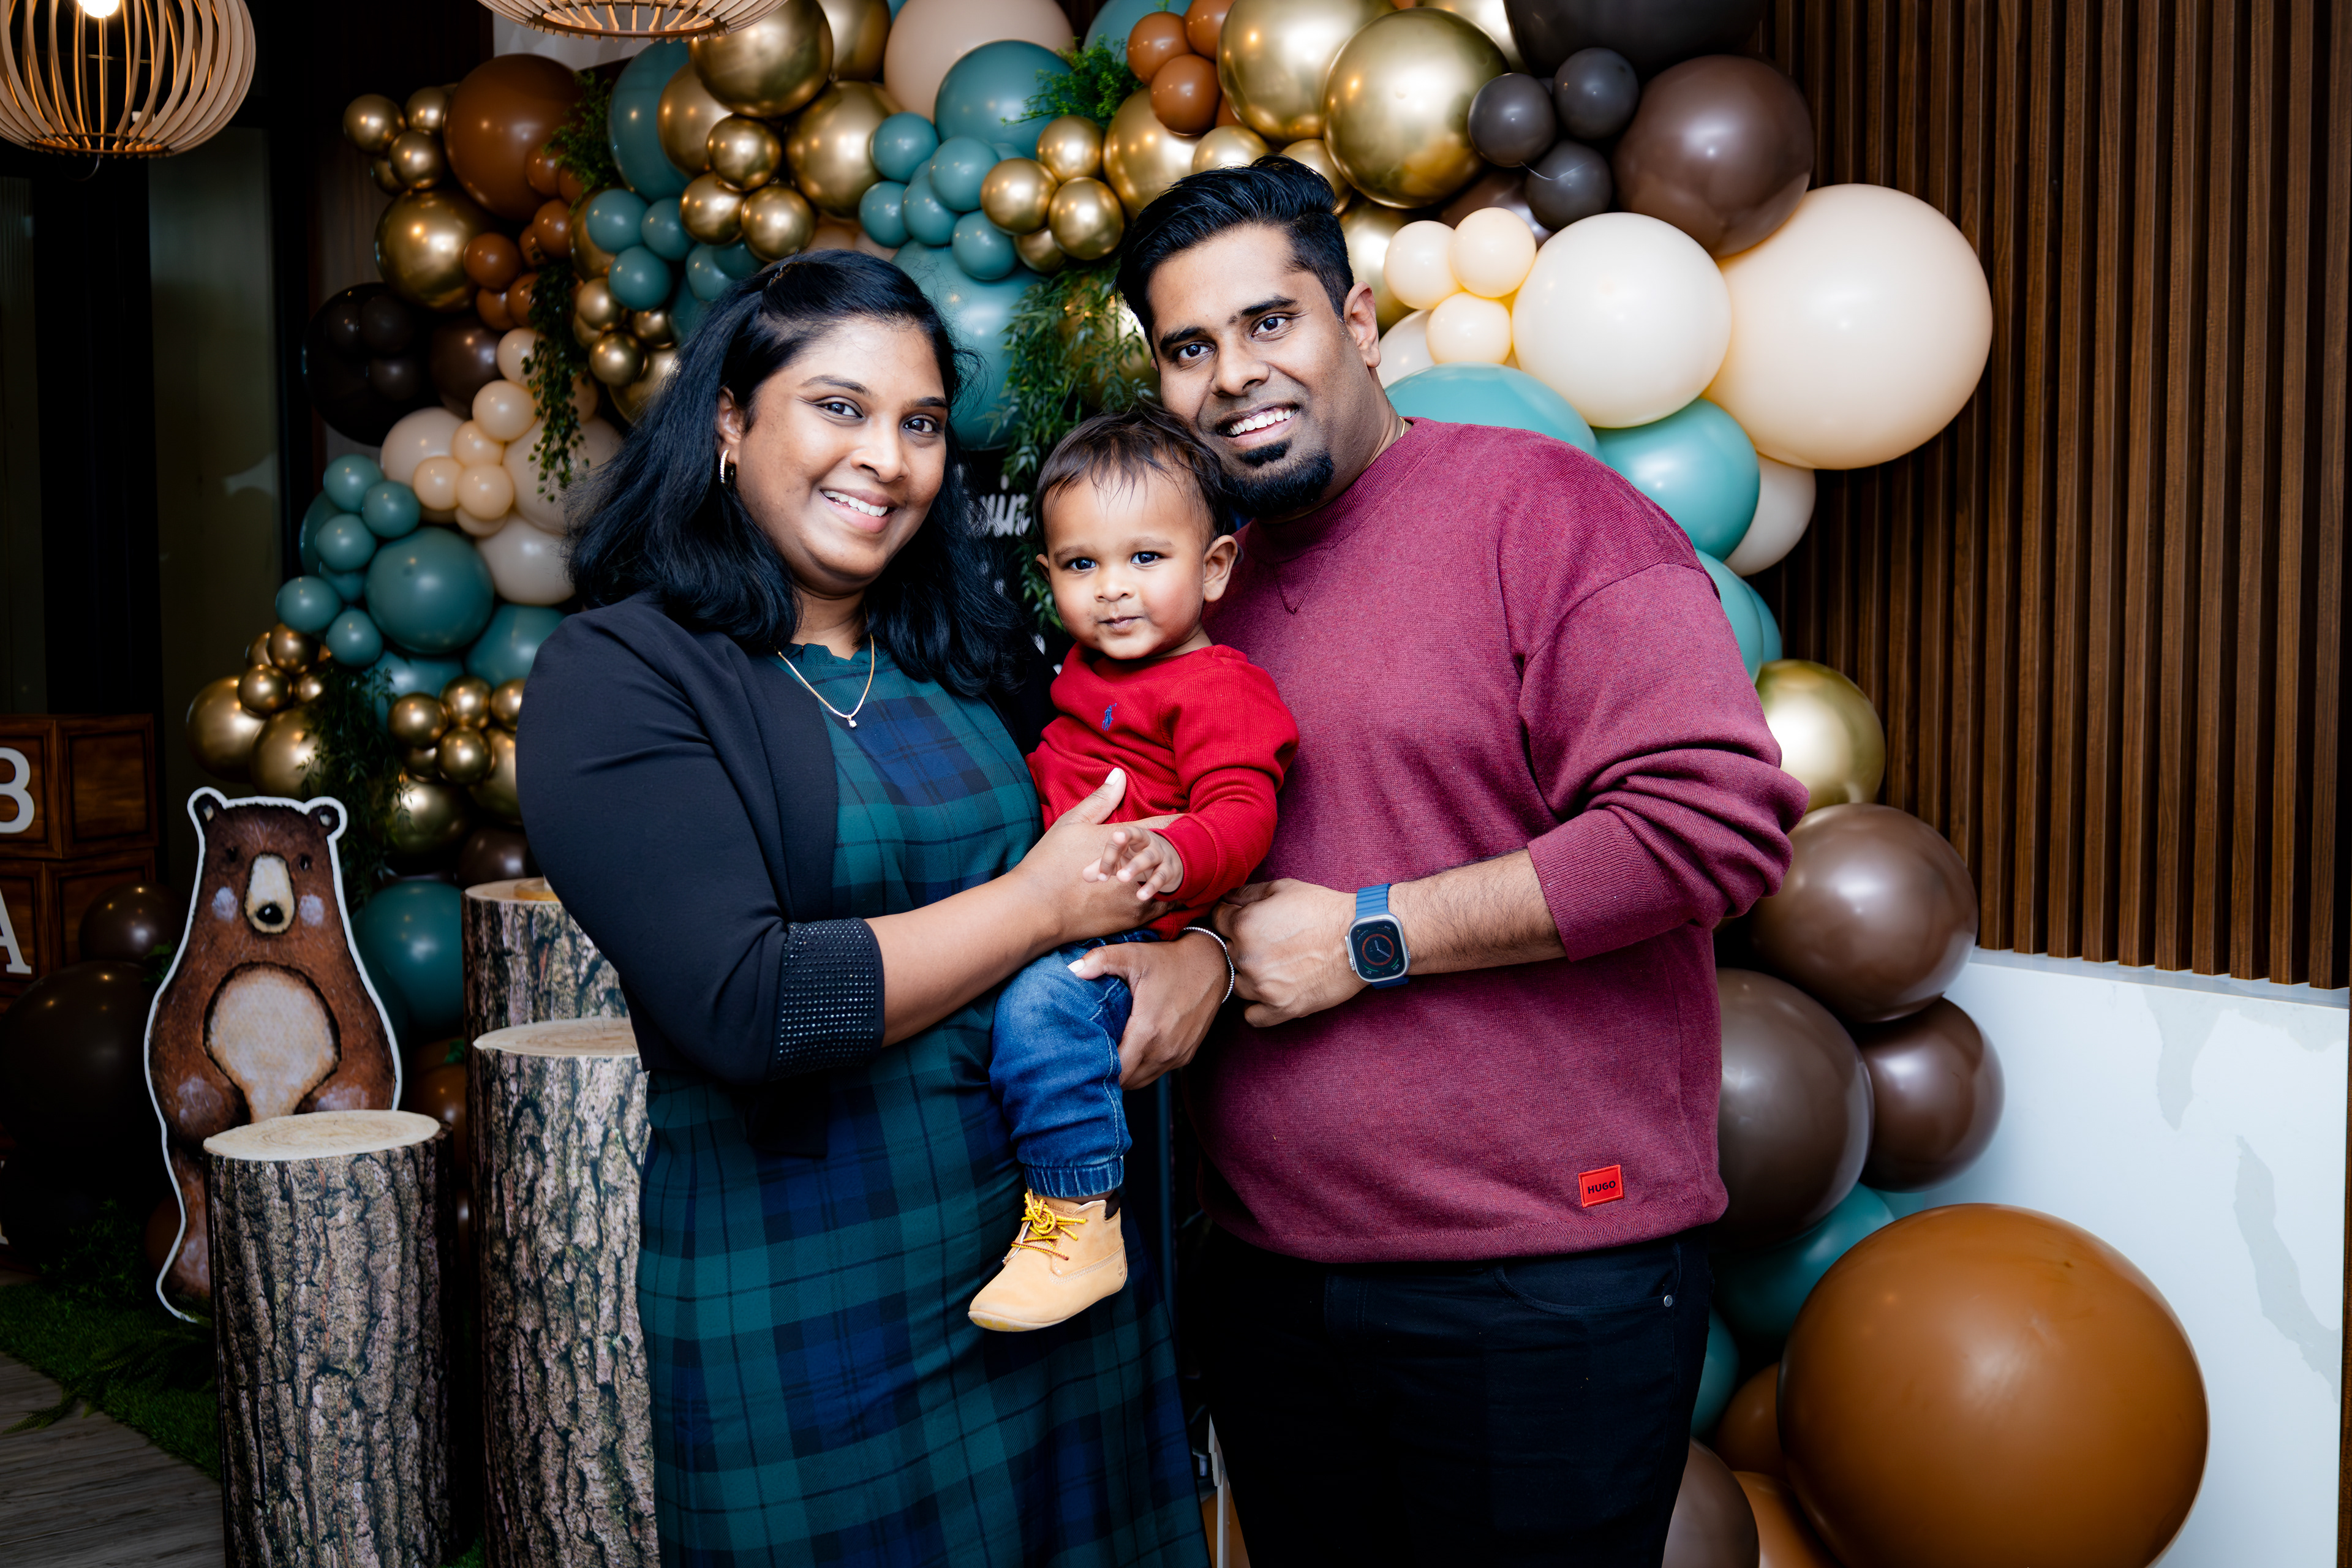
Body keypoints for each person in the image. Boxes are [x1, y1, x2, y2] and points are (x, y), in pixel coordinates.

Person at [1116, 160, 1811, 1562]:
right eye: (1189, 347)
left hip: (1539, 1281)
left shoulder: (1544, 511)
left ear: (1360, 323)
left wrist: (1372, 933)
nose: (1234, 375)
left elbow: (1712, 822)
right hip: (1274, 1279)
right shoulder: (1202, 590)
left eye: (1270, 322)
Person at [518, 251, 1223, 1566]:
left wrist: (1201, 959)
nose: (887, 460)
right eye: (839, 407)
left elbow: (1146, 844)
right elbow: (755, 1005)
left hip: (1059, 1269)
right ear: (729, 420)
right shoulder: (618, 676)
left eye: (922, 423)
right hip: (812, 1302)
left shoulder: (975, 657)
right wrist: (1035, 905)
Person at [971, 405, 1298, 1334]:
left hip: (1140, 933)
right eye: (1082, 565)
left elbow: (1244, 812)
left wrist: (1174, 849)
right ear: (1048, 576)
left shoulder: (1220, 687)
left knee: (1045, 1010)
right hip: (1058, 904)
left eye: (1146, 558)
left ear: (1216, 567)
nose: (1113, 589)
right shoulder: (1085, 672)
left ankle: (1080, 1218)